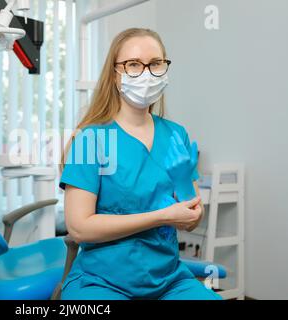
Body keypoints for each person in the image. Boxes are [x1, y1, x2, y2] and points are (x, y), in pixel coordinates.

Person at [59, 28, 222, 300]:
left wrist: (184, 186)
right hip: (101, 282)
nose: (146, 73)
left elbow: (192, 220)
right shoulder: (90, 139)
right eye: (133, 64)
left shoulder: (176, 134)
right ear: (114, 74)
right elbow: (78, 227)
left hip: (168, 281)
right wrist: (161, 217)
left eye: (155, 63)